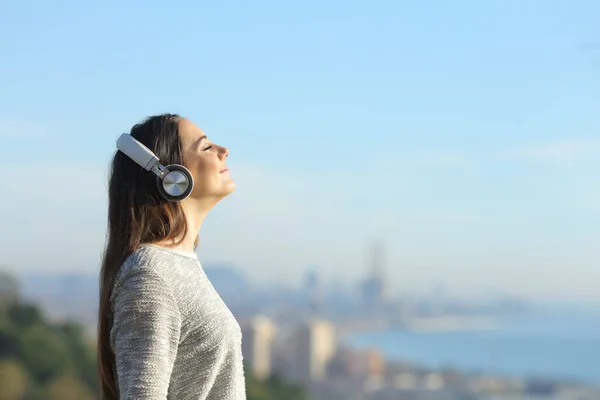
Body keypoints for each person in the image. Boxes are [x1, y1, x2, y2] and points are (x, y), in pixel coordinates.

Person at [96, 113, 246, 399]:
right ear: (172, 177)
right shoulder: (150, 276)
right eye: (205, 147)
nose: (223, 151)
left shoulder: (179, 265)